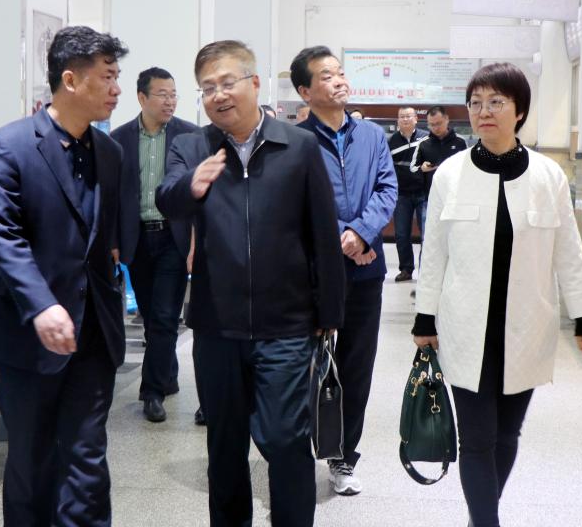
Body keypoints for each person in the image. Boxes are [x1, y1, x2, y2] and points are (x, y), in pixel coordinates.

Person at [156, 40, 346, 527]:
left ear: (255, 83)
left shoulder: (298, 145)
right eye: (207, 88)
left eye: (227, 83)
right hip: (217, 326)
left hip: (286, 325)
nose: (218, 95)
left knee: (285, 440)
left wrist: (329, 313)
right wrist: (190, 185)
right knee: (224, 446)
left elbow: (323, 233)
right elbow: (166, 198)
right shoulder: (191, 147)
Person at [412, 62, 582, 527]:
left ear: (519, 111)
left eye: (496, 102)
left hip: (526, 327)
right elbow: (434, 252)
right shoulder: (450, 174)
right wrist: (424, 317)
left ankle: (482, 514)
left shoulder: (548, 175)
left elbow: (568, 250)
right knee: (476, 440)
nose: (484, 111)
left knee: (507, 434)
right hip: (465, 328)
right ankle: (486, 521)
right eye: (475, 103)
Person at [0, 26, 128, 526]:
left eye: (117, 76)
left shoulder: (111, 153)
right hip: (28, 334)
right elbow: (5, 238)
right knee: (32, 460)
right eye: (107, 77)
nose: (116, 89)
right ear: (70, 80)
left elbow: (104, 239)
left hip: (94, 332)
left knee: (88, 460)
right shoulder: (8, 147)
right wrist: (42, 304)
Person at [290, 46, 397, 496]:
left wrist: (361, 234)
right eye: (326, 75)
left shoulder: (371, 136)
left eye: (340, 72)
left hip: (366, 274)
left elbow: (387, 188)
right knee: (303, 365)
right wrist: (343, 240)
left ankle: (343, 456)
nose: (338, 81)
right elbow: (294, 203)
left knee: (355, 367)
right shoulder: (293, 141)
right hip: (311, 273)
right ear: (305, 90)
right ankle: (296, 454)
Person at [110, 67, 200, 424]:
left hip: (173, 238)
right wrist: (114, 241)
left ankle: (151, 392)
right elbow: (112, 197)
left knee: (164, 317)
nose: (169, 101)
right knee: (152, 318)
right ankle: (168, 376)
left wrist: (195, 242)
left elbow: (198, 195)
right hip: (137, 240)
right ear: (141, 97)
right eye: (162, 94)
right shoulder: (118, 140)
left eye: (173, 94)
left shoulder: (189, 137)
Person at [389, 106, 428, 283]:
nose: (405, 119)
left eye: (408, 116)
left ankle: (425, 271)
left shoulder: (426, 138)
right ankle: (406, 269)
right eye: (402, 116)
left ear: (416, 119)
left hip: (423, 193)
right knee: (401, 234)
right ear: (398, 120)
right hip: (401, 194)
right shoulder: (391, 141)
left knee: (426, 234)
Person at [410, 105, 467, 199]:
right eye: (432, 125)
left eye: (439, 123)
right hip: (430, 196)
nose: (436, 128)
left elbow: (467, 167)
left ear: (447, 119)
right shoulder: (423, 143)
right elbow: (412, 168)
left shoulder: (460, 141)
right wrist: (422, 168)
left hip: (455, 194)